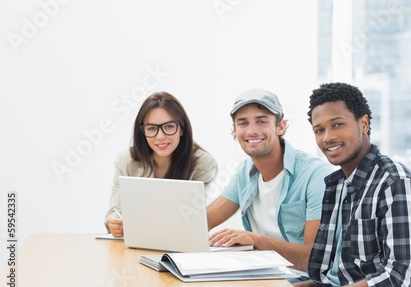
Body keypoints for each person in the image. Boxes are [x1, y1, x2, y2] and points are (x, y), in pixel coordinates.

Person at [294, 82, 411, 287]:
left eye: (337, 125)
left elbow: (398, 281)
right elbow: (335, 277)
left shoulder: (396, 184)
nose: (327, 137)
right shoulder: (339, 184)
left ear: (363, 123)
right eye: (319, 130)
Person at [206, 88, 334, 277]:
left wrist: (256, 240)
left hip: (302, 283)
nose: (252, 130)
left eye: (261, 121)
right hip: (260, 275)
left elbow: (314, 259)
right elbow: (203, 222)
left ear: (280, 126)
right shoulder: (244, 172)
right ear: (235, 130)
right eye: (243, 123)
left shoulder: (316, 175)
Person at [104, 91, 218, 237]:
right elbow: (114, 212)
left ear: (181, 128)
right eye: (151, 128)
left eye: (169, 126)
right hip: (136, 242)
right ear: (143, 132)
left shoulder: (203, 163)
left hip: (178, 243)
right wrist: (114, 224)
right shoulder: (126, 161)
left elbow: (191, 220)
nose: (160, 136)